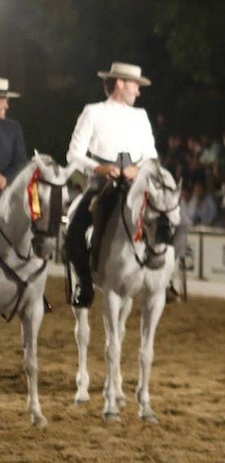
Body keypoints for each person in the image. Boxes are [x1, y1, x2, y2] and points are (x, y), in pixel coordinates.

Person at [64, 62, 159, 307]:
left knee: (168, 217)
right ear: (119, 83)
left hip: (135, 182)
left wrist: (137, 169)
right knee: (74, 230)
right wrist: (100, 168)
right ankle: (85, 284)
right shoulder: (93, 112)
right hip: (102, 183)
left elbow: (151, 155)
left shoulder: (141, 116)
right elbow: (74, 154)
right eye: (135, 85)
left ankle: (163, 280)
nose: (138, 92)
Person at [0, 78, 28, 189]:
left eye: (7, 100)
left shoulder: (13, 128)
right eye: (2, 100)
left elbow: (21, 163)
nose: (6, 106)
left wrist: (6, 179)